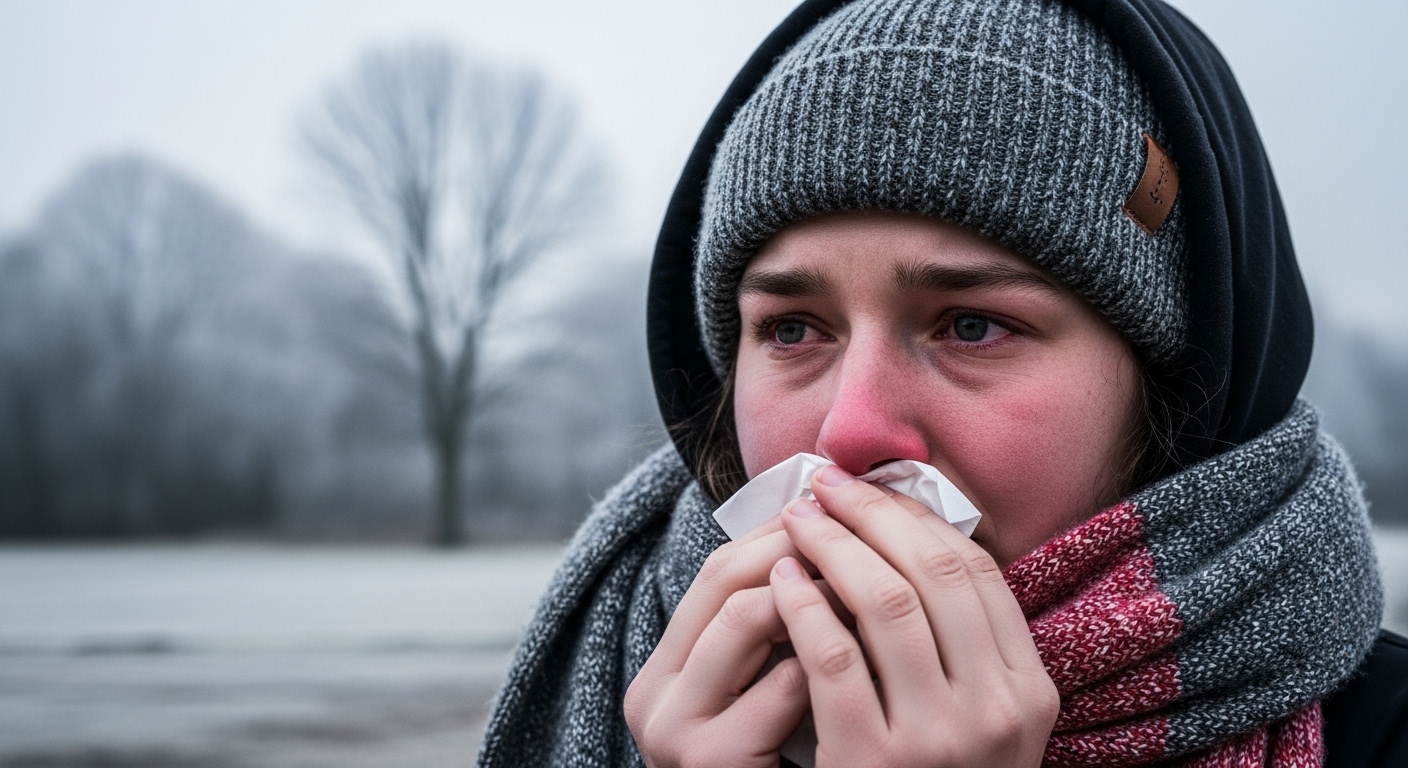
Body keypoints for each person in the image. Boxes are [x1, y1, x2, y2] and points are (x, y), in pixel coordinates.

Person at [476, 0, 1408, 766]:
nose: (850, 431)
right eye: (792, 329)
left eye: (973, 326)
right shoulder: (631, 690)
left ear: (1175, 394)